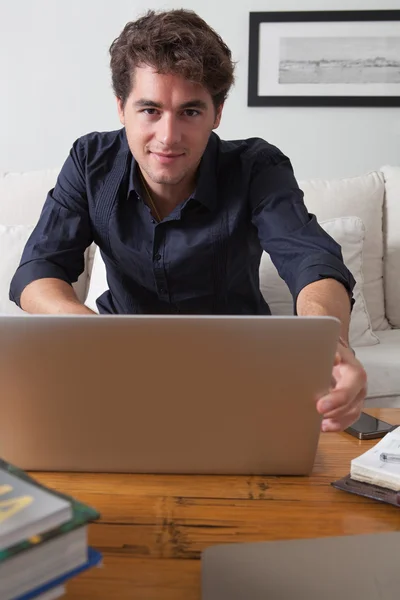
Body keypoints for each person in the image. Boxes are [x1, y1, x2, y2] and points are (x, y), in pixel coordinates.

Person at [9, 9, 366, 432]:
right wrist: (93, 336)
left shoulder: (257, 166)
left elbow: (311, 259)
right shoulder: (91, 162)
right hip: (116, 368)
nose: (168, 136)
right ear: (122, 108)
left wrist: (329, 343)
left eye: (190, 112)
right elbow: (39, 270)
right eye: (150, 110)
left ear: (217, 114)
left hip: (242, 368)